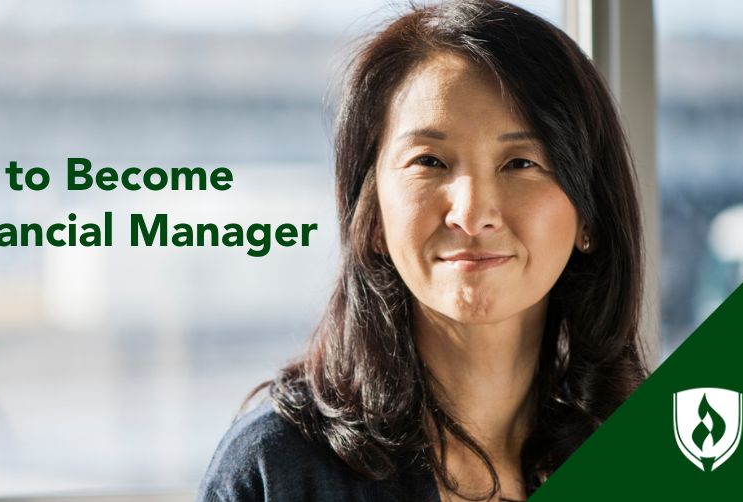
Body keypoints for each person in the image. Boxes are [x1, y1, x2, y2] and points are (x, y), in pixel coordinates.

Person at [197, 1, 649, 500]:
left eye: (520, 163)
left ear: (589, 214)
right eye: (429, 161)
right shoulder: (279, 468)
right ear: (371, 216)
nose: (473, 213)